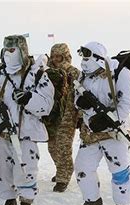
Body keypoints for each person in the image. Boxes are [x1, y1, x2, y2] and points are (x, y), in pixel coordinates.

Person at [0, 35, 54, 205]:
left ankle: (26, 201)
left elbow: (46, 106)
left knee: (25, 168)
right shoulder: (1, 76)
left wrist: (28, 99)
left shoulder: (38, 75)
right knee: (3, 168)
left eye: (12, 50)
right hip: (3, 132)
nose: (9, 54)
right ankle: (9, 197)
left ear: (22, 51)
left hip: (26, 133)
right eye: (6, 50)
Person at [74, 41, 130, 205]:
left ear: (98, 58)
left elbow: (127, 104)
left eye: (87, 57)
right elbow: (76, 98)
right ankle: (92, 201)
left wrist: (109, 121)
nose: (84, 62)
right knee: (82, 167)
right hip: (90, 131)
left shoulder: (121, 73)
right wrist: (81, 103)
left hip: (115, 131)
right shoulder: (83, 76)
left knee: (119, 168)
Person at [46, 43, 81, 192]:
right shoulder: (46, 72)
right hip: (51, 115)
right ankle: (61, 168)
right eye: (53, 56)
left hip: (68, 115)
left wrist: (79, 115)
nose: (55, 59)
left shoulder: (74, 73)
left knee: (63, 146)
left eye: (58, 56)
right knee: (52, 146)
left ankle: (63, 176)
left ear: (65, 56)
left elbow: (81, 95)